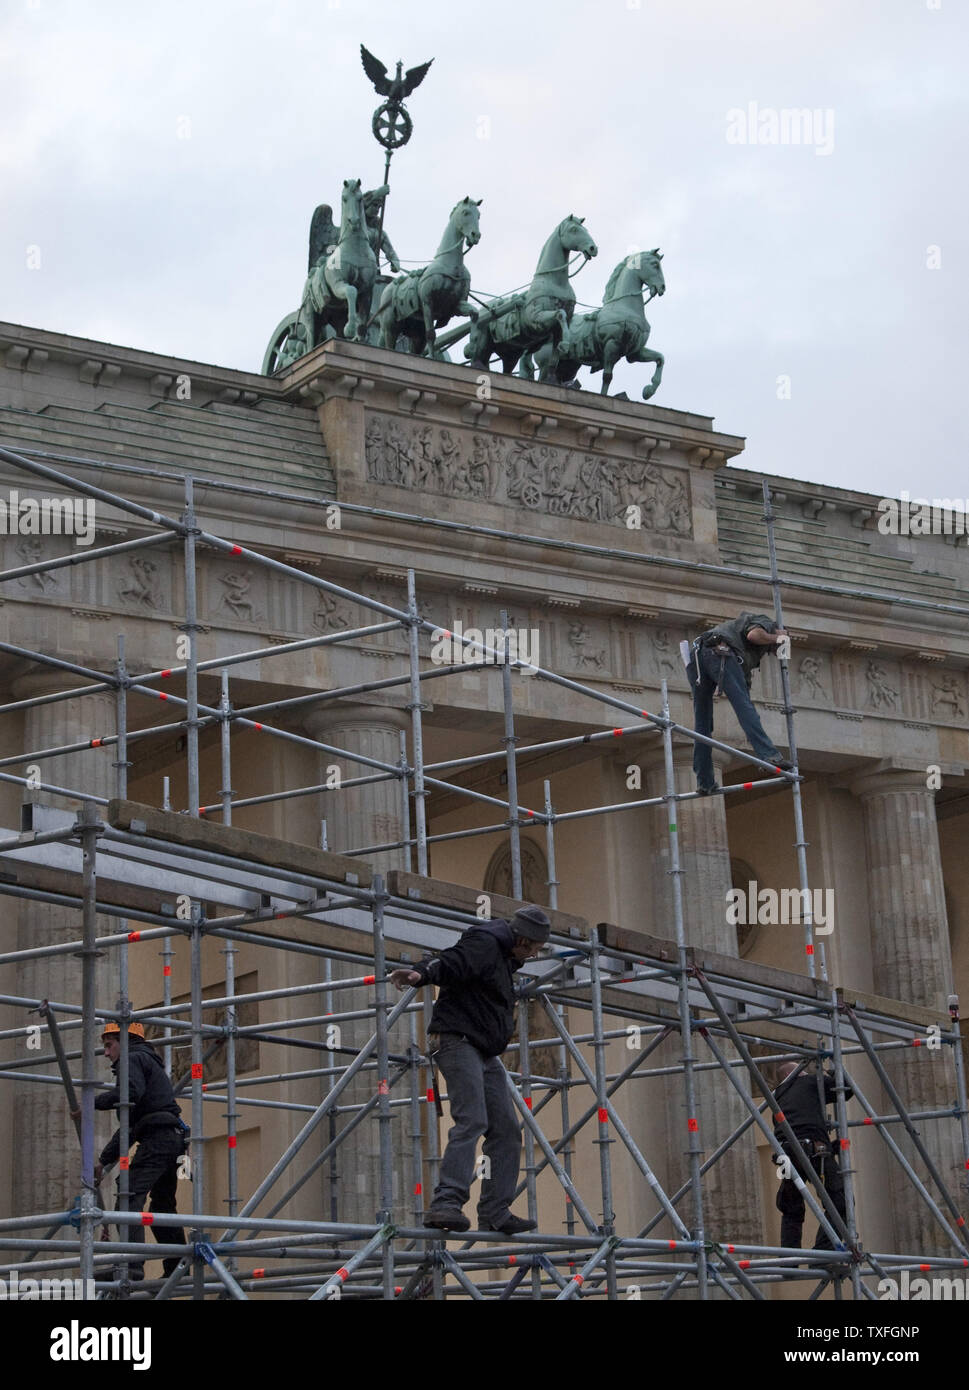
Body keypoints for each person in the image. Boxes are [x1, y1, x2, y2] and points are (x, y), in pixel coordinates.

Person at [390, 905, 551, 1234]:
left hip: (482, 1050)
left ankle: (494, 1210)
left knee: (506, 1130)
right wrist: (422, 972)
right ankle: (447, 1201)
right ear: (523, 940)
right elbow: (453, 961)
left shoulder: (504, 957)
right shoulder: (486, 942)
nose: (534, 955)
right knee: (473, 1118)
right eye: (534, 949)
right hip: (456, 1041)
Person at [91, 1022, 187, 1280]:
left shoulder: (131, 1059)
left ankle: (130, 1266)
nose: (107, 1053)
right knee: (163, 1205)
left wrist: (92, 1102)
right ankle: (179, 1268)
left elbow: (129, 1094)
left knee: (127, 1195)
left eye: (109, 1045)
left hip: (159, 1139)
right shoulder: (149, 1062)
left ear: (125, 1040)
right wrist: (104, 1160)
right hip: (174, 1139)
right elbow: (131, 1128)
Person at [687, 611, 794, 794]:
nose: (778, 652)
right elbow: (754, 634)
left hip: (698, 656)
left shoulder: (751, 652)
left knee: (703, 721)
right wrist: (778, 636)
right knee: (744, 708)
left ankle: (704, 780)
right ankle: (769, 755)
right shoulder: (767, 624)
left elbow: (742, 680)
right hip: (719, 651)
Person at [773, 1061, 854, 1250]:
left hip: (787, 1155)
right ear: (799, 1074)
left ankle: (789, 1262)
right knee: (841, 1204)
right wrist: (833, 1068)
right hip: (814, 1150)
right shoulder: (811, 1082)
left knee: (791, 1210)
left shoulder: (777, 1095)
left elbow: (798, 1124)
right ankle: (823, 1252)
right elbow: (847, 1090)